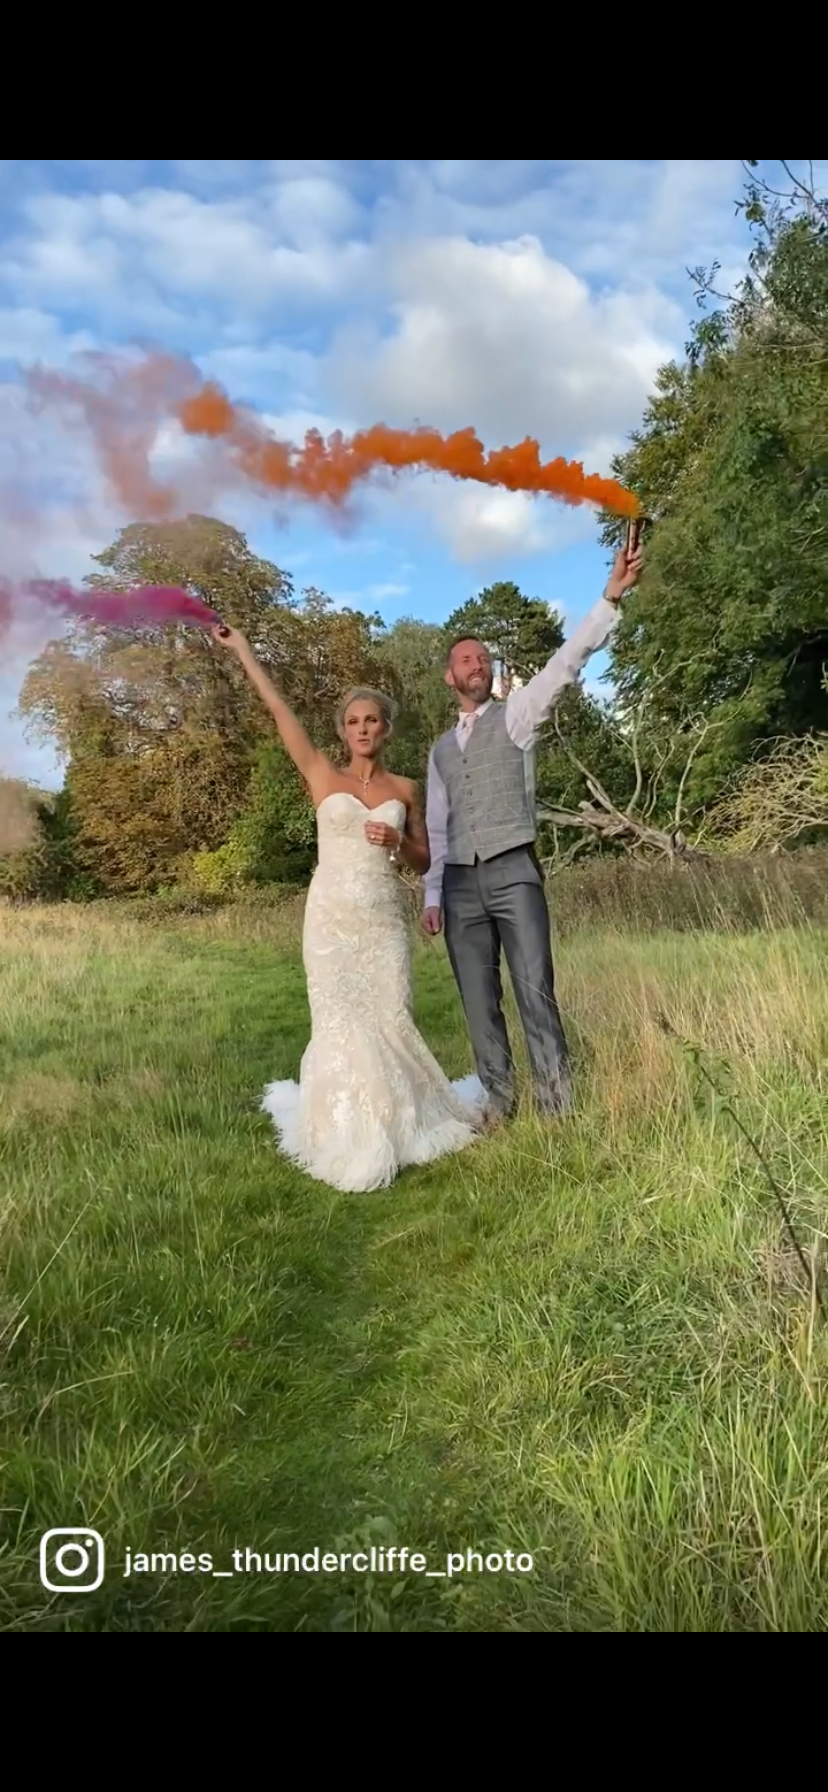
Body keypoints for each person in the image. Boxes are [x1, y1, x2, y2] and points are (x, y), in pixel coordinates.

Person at [212, 626, 486, 1192]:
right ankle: (343, 1128)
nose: (363, 729)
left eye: (372, 721)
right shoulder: (321, 773)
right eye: (353, 721)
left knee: (390, 1015)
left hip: (382, 922)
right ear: (343, 731)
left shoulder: (405, 788)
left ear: (386, 730)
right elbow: (279, 711)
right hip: (330, 921)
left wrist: (398, 842)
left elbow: (424, 861)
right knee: (339, 1022)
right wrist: (244, 651)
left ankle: (403, 1120)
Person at [422, 541, 643, 1125]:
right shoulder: (439, 751)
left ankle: (556, 1106)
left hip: (513, 870)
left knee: (534, 988)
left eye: (484, 658)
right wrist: (432, 895)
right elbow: (437, 825)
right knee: (478, 1000)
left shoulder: (517, 716)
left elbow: (566, 663)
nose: (479, 664)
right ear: (450, 676)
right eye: (467, 659)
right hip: (460, 884)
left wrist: (609, 598)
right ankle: (499, 1102)